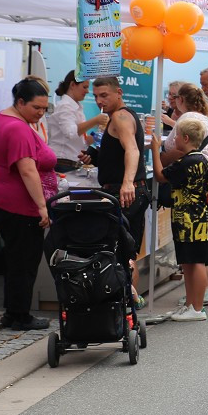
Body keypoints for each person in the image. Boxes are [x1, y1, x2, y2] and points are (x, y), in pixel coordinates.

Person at [0, 77, 57, 330]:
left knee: (16, 259)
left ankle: (13, 312)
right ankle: (20, 315)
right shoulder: (18, 128)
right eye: (36, 108)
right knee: (24, 261)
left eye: (44, 109)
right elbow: (27, 170)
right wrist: (41, 206)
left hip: (3, 199)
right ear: (20, 101)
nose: (40, 113)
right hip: (17, 206)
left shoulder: (3, 119)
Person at [160, 84, 208, 305]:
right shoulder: (205, 119)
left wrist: (155, 147)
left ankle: (199, 299)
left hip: (190, 215)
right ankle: (201, 295)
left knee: (195, 256)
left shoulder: (187, 124)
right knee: (204, 245)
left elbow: (166, 160)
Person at [88, 77, 150, 305]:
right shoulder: (118, 117)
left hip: (125, 193)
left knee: (117, 249)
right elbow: (117, 156)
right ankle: (128, 299)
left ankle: (128, 298)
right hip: (128, 190)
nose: (99, 100)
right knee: (124, 250)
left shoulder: (121, 117)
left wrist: (127, 183)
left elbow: (132, 151)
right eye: (95, 96)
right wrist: (96, 158)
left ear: (119, 93)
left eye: (104, 95)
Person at [151, 117, 208, 321]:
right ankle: (190, 305)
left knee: (195, 262)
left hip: (188, 218)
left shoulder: (187, 162)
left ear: (185, 138)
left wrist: (155, 150)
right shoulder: (202, 160)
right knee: (189, 262)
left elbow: (160, 176)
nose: (174, 138)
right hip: (199, 215)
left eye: (176, 135)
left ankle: (197, 308)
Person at [49, 71, 108, 173]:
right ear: (72, 85)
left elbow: (80, 140)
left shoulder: (76, 107)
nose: (87, 91)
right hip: (62, 163)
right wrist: (95, 120)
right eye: (84, 87)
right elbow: (71, 133)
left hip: (72, 163)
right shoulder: (65, 106)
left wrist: (98, 136)